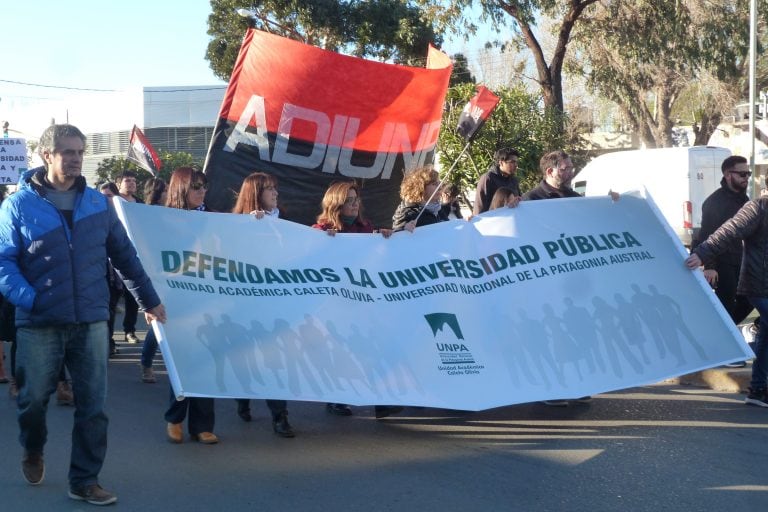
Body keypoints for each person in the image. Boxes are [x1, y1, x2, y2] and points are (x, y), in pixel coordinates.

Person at [0, 124, 166, 505]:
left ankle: (85, 479)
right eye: (67, 152)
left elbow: (125, 257)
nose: (75, 159)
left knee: (93, 406)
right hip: (39, 321)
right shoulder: (17, 205)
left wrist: (149, 301)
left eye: (79, 152)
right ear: (47, 156)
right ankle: (33, 447)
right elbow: (3, 262)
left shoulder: (97, 204)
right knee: (32, 402)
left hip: (91, 320)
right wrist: (29, 298)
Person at [522, 150, 616, 405]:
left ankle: (577, 382)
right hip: (546, 281)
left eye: (571, 167)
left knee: (579, 333)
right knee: (555, 337)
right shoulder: (529, 201)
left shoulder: (575, 198)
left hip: (574, 281)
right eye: (565, 168)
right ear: (550, 171)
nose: (570, 172)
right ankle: (554, 388)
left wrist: (611, 205)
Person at [313, 181, 400, 419]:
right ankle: (336, 397)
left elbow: (376, 258)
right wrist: (324, 242)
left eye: (356, 200)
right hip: (335, 303)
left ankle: (380, 400)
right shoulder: (320, 230)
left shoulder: (366, 228)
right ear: (336, 203)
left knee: (373, 347)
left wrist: (385, 240)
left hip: (363, 301)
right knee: (341, 350)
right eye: (349, 200)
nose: (354, 204)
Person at [685, 194, 768, 407]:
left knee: (766, 337)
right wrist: (703, 254)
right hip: (760, 284)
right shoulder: (759, 206)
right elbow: (730, 231)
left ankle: (758, 390)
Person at [230, 171, 294, 437]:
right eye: (269, 189)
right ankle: (242, 398)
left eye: (275, 188)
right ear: (255, 193)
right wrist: (253, 231)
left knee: (274, 357)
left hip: (277, 304)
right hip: (247, 305)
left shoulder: (285, 223)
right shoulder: (237, 226)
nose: (275, 193)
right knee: (248, 356)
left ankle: (280, 416)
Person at [161, 167, 219, 445]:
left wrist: (253, 221)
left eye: (204, 186)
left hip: (207, 297)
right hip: (176, 300)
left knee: (206, 361)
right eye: (196, 186)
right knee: (183, 361)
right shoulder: (163, 220)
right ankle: (175, 418)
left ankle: (202, 425)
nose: (201, 191)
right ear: (181, 187)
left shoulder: (212, 217)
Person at [694, 155, 753, 368]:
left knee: (749, 300)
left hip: (743, 261)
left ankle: (717, 338)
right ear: (728, 175)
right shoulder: (714, 202)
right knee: (726, 304)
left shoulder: (744, 200)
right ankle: (725, 351)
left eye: (748, 174)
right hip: (723, 262)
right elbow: (707, 236)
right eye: (742, 174)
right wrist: (710, 267)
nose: (747, 177)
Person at [137, 177, 168, 382]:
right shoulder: (145, 216)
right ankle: (146, 363)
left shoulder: (174, 213)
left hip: (174, 274)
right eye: (165, 190)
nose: (169, 193)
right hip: (154, 275)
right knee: (159, 322)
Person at [116, 171, 144, 344]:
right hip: (114, 253)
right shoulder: (113, 202)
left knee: (133, 296)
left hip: (134, 255)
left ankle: (129, 331)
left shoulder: (140, 204)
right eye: (127, 180)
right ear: (118, 183)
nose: (132, 183)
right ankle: (108, 340)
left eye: (134, 180)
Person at [98, 182, 125, 359]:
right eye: (103, 196)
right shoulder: (95, 216)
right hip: (101, 273)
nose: (105, 200)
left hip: (117, 273)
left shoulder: (124, 216)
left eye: (109, 196)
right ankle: (104, 344)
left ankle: (109, 341)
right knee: (104, 311)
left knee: (111, 310)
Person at [392, 167, 446, 232]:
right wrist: (404, 229)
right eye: (434, 184)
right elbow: (396, 235)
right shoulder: (408, 213)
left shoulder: (438, 209)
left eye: (439, 183)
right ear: (421, 187)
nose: (440, 188)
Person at [473, 148, 521, 215]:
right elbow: (480, 206)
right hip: (494, 222)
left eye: (516, 162)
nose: (516, 165)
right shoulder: (488, 178)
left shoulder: (514, 180)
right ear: (501, 163)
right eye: (512, 162)